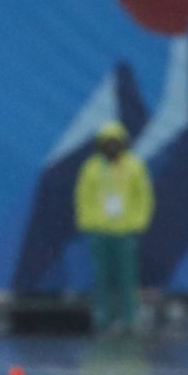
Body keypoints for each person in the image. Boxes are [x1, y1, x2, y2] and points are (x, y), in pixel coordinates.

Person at [73, 120, 154, 335]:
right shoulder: (91, 168)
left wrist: (139, 221)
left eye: (115, 142)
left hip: (125, 230)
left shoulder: (134, 166)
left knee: (128, 277)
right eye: (107, 142)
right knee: (102, 277)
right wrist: (88, 222)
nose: (111, 147)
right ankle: (103, 318)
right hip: (100, 229)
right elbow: (83, 196)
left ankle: (129, 319)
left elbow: (143, 196)